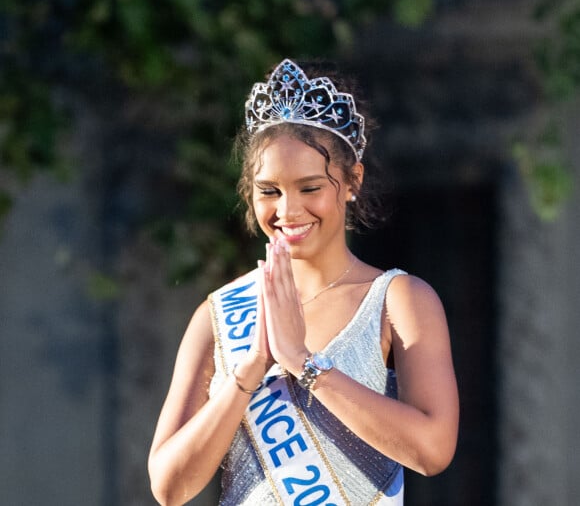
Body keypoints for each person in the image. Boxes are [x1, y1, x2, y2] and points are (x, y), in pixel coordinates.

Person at [148, 58, 459, 505]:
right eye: (269, 190)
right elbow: (169, 488)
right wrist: (250, 369)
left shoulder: (398, 300)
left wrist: (304, 364)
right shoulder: (219, 315)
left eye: (310, 188)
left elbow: (432, 450)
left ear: (352, 181)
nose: (288, 211)